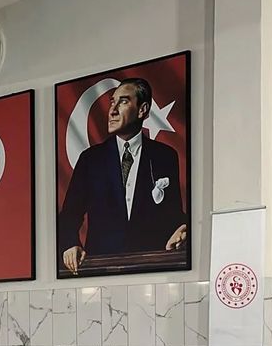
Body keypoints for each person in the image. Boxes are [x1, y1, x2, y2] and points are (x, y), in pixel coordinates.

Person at [57, 78, 188, 275]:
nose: (112, 110)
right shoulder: (90, 159)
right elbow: (69, 215)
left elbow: (173, 214)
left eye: (123, 101)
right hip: (100, 268)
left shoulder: (165, 156)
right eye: (112, 102)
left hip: (152, 267)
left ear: (142, 110)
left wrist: (183, 229)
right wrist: (70, 244)